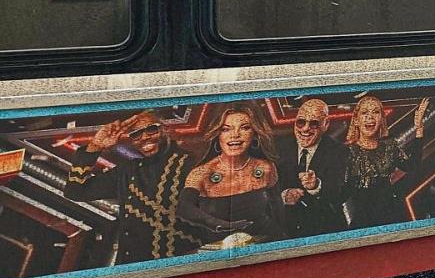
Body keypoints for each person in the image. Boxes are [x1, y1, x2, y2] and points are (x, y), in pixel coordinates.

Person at [63, 110, 203, 263]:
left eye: (151, 129)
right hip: (130, 266)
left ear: (166, 129)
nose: (144, 137)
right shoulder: (128, 171)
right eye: (136, 134)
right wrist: (95, 147)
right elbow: (75, 192)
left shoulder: (193, 165)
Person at [179, 104, 284, 246]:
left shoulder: (266, 167)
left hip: (266, 243)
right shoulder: (201, 173)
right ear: (218, 135)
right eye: (225, 129)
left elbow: (279, 213)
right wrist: (220, 224)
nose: (235, 135)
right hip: (219, 249)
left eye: (244, 128)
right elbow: (184, 208)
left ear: (255, 133)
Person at [342, 94, 426, 229]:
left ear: (381, 119)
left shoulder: (389, 146)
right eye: (364, 113)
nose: (370, 117)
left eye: (375, 112)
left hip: (391, 217)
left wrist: (419, 129)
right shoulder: (347, 152)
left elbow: (412, 165)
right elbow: (340, 192)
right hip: (364, 222)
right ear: (356, 120)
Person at [274, 98, 350, 238]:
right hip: (285, 229)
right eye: (301, 122)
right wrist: (284, 195)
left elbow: (339, 192)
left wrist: (316, 185)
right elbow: (267, 190)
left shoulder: (340, 152)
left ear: (325, 124)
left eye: (314, 123)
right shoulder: (278, 147)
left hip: (324, 229)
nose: (305, 129)